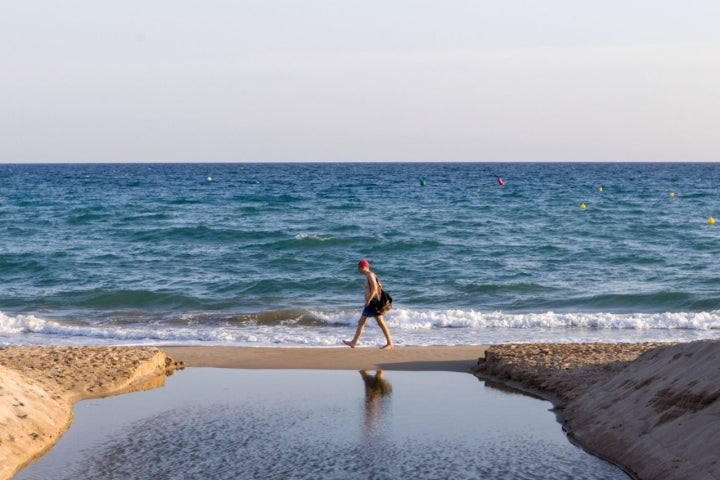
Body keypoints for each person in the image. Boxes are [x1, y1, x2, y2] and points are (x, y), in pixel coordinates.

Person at [343, 259, 394, 349]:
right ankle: (353, 342)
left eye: (358, 268)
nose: (358, 270)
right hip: (371, 303)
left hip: (372, 303)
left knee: (380, 323)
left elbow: (374, 289)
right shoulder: (369, 276)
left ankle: (390, 343)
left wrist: (368, 300)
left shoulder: (370, 275)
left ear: (362, 267)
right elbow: (379, 286)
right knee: (361, 323)